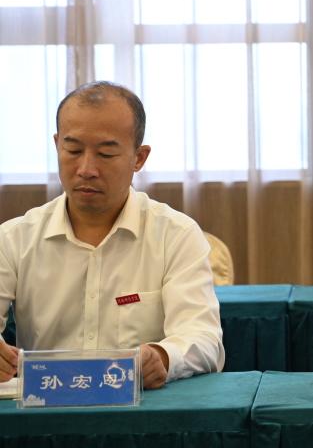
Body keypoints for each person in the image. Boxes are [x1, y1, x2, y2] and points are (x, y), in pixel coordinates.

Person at [0, 81, 225, 389]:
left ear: (139, 158)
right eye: (73, 150)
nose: (86, 169)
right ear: (57, 145)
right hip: (47, 408)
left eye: (105, 154)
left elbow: (203, 337)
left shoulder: (176, 235)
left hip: (143, 410)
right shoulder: (13, 239)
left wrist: (163, 356)